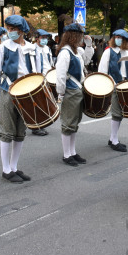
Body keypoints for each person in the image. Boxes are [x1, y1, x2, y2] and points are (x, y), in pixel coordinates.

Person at [0, 15, 31, 183]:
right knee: (6, 131)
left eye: (14, 29)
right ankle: (6, 169)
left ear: (22, 31)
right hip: (8, 91)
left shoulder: (30, 48)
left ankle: (14, 166)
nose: (11, 32)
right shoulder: (2, 48)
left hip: (26, 93)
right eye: (9, 29)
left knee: (20, 131)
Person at [55, 19, 95, 166]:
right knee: (68, 123)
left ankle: (72, 152)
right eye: (79, 35)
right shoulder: (65, 53)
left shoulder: (77, 51)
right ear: (72, 36)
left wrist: (89, 45)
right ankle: (67, 155)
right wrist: (61, 93)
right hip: (70, 90)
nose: (80, 38)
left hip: (77, 89)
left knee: (75, 122)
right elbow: (60, 75)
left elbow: (87, 59)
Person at [98, 28, 128, 152]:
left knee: (121, 114)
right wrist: (105, 86)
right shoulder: (109, 52)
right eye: (116, 37)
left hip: (124, 86)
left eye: (121, 38)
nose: (118, 40)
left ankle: (113, 138)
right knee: (116, 113)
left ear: (125, 41)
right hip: (113, 85)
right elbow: (102, 70)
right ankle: (114, 140)